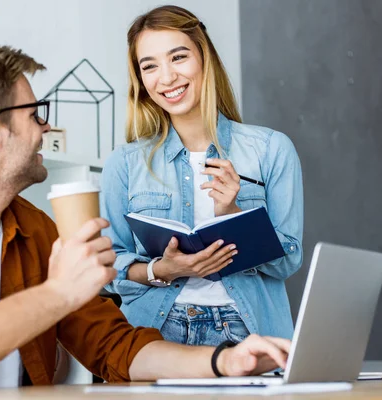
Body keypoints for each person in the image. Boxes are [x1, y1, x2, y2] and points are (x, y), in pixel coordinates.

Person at [0, 43, 290, 392]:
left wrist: (223, 361)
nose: (46, 129)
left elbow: (114, 346)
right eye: (36, 115)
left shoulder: (36, 232)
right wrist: (58, 294)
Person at [101, 5, 303, 347]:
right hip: (156, 332)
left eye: (178, 57)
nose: (166, 78)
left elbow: (288, 262)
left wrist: (235, 216)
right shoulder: (124, 162)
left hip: (248, 331)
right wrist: (161, 271)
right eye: (149, 66)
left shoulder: (271, 149)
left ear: (204, 58)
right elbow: (109, 270)